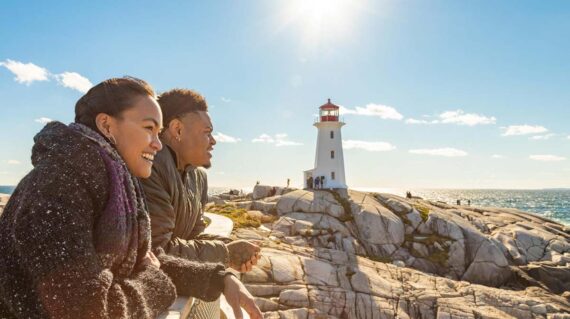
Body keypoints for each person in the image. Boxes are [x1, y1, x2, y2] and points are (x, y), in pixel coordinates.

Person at [0, 78, 262, 319]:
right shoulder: (57, 186)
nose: (158, 144)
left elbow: (145, 263)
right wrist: (154, 283)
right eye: (149, 128)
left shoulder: (113, 184)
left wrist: (219, 279)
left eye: (159, 133)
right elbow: (88, 309)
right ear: (106, 125)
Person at [141, 89, 260, 272]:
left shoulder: (198, 176)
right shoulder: (148, 167)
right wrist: (225, 253)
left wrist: (230, 244)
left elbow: (192, 236)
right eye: (207, 132)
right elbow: (155, 251)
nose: (213, 141)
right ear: (177, 129)